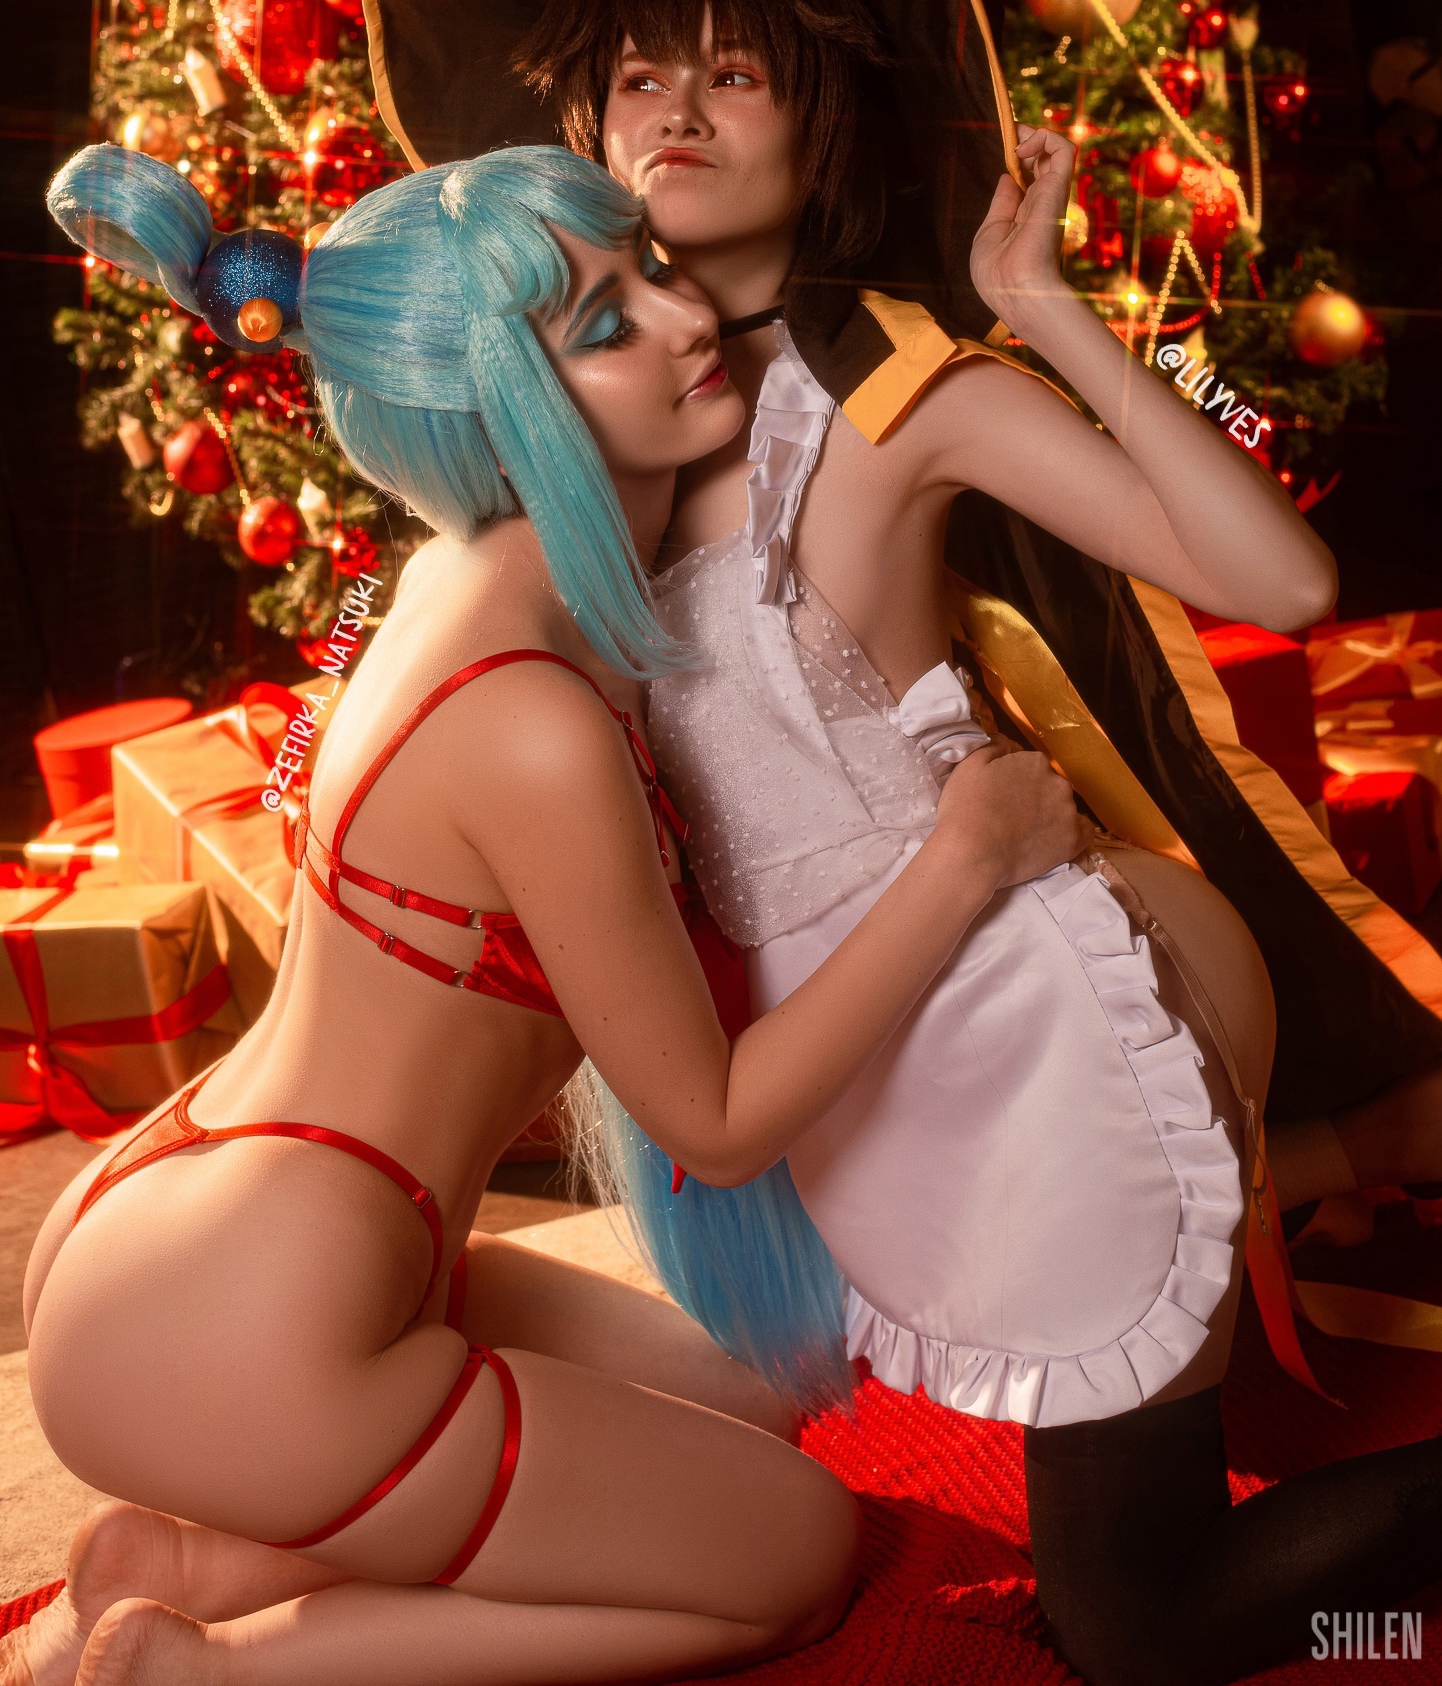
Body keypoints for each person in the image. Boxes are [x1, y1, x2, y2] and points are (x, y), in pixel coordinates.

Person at [17, 138, 1083, 1686]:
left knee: (756, 1401)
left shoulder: (449, 583)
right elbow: (715, 1123)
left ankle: (187, 1559)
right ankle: (203, 1671)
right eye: (599, 325)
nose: (682, 316)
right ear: (496, 407)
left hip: (240, 1224)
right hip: (254, 1308)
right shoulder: (529, 718)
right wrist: (966, 858)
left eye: (644, 268)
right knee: (795, 1552)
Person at [366, 0, 1442, 1183]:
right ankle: (1324, 1160)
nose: (678, 111)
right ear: (587, 127)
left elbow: (1288, 588)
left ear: (817, 126)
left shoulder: (899, 394)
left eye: (734, 75)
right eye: (639, 78)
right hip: (760, 1049)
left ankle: (1319, 1155)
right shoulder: (566, 421)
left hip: (987, 1005)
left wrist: (1045, 309)